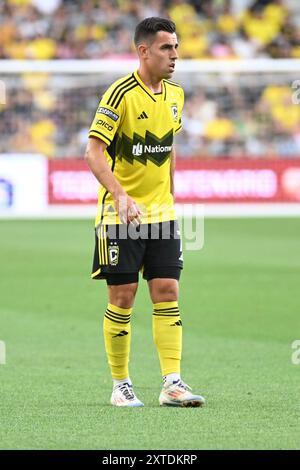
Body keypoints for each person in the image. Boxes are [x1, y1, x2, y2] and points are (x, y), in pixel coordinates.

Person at [85, 17, 205, 408]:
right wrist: (119, 195)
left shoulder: (176, 95)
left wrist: (171, 194)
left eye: (176, 47)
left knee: (167, 291)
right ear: (144, 50)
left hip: (161, 215)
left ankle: (172, 382)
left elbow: (168, 146)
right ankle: (121, 384)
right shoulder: (119, 94)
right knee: (123, 296)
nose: (174, 55)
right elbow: (93, 152)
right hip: (119, 217)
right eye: (166, 48)